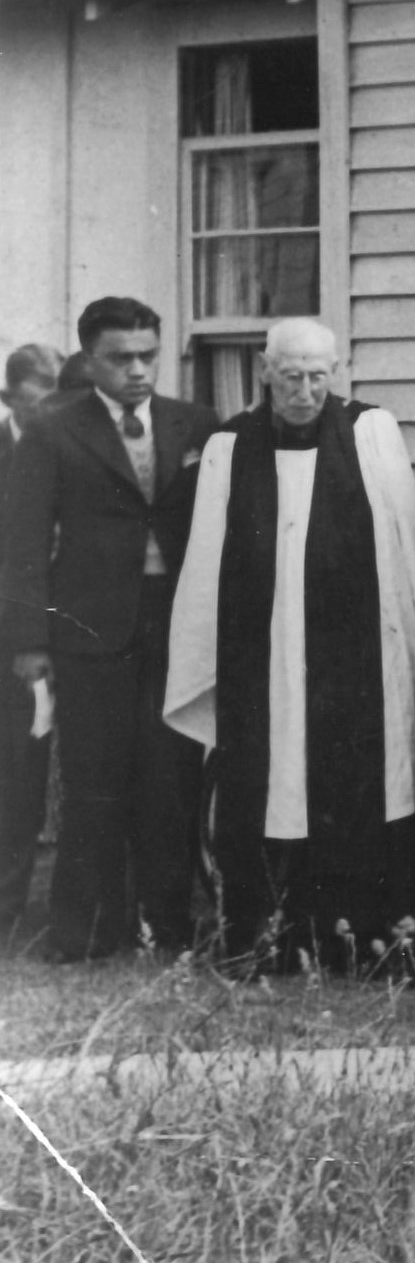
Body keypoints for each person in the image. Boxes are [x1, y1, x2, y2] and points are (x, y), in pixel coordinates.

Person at [163, 319, 415, 965]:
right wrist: (202, 655)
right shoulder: (230, 445)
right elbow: (205, 559)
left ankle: (355, 938)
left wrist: (412, 654)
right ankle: (263, 937)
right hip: (262, 652)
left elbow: (404, 551)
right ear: (265, 372)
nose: (306, 390)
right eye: (291, 376)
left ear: (336, 372)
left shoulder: (372, 433)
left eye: (319, 376)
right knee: (268, 779)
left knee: (353, 776)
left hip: (357, 654)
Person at [0, 298, 216, 959]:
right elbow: (25, 544)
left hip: (175, 629)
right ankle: (86, 930)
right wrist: (32, 644)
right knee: (94, 784)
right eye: (120, 358)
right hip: (89, 630)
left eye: (148, 355)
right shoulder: (52, 429)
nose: (138, 370)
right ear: (90, 360)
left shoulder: (195, 423)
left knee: (169, 781)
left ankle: (169, 927)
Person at [0, 342, 61, 936]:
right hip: (7, 641)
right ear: (9, 397)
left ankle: (20, 903)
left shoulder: (70, 446)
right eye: (37, 397)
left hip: (59, 632)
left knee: (31, 762)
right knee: (11, 769)